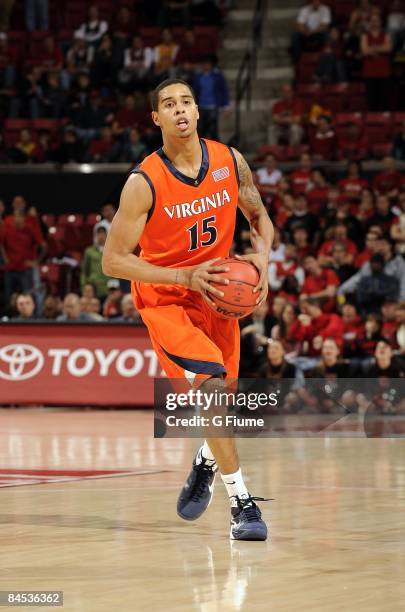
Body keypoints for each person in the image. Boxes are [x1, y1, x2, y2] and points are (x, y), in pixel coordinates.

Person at [102, 78, 274, 540]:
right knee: (213, 387)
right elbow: (112, 261)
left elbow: (257, 215)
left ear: (198, 111)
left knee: (224, 404)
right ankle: (242, 503)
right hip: (168, 300)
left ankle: (205, 459)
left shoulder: (228, 160)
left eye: (186, 102)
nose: (179, 110)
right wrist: (184, 277)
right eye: (168, 105)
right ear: (156, 119)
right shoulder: (143, 182)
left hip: (217, 293)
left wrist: (263, 257)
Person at [193, 56, 229, 141]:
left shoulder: (217, 76)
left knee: (213, 131)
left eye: (207, 64)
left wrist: (226, 106)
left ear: (211, 65)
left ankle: (215, 150)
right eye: (204, 64)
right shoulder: (198, 77)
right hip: (201, 107)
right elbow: (194, 91)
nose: (206, 66)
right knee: (201, 131)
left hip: (213, 106)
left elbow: (224, 90)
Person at [361, 13, 392, 111]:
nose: (374, 23)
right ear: (369, 23)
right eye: (372, 21)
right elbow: (364, 51)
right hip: (370, 72)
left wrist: (373, 48)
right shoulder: (365, 36)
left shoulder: (386, 35)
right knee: (372, 101)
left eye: (376, 20)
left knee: (384, 100)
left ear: (380, 22)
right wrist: (380, 48)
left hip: (383, 71)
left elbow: (388, 48)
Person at [80, 221, 111, 299]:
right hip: (93, 288)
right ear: (95, 235)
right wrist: (84, 286)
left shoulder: (112, 251)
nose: (101, 236)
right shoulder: (89, 251)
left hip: (108, 288)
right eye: (99, 233)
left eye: (103, 233)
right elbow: (84, 272)